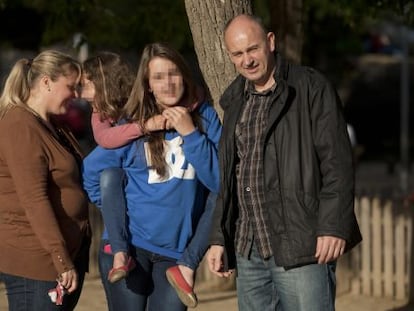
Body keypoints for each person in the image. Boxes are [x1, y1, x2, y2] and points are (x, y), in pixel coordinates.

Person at [206, 14, 363, 311]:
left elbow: (338, 162)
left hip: (301, 243)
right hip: (247, 248)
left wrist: (333, 226)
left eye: (252, 49)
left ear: (271, 42)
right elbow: (228, 178)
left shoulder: (310, 87)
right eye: (238, 54)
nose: (247, 60)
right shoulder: (234, 100)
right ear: (230, 56)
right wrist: (219, 238)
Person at [82, 42, 222, 311]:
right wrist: (114, 210)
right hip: (130, 247)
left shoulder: (204, 117)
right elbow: (92, 173)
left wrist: (190, 133)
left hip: (176, 255)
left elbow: (219, 183)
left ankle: (187, 267)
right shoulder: (135, 124)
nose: (168, 83)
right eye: (158, 77)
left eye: (173, 73)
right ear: (147, 85)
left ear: (184, 75)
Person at [0, 50, 91, 310]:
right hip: (37, 263)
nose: (76, 95)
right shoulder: (19, 124)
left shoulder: (50, 124)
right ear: (46, 82)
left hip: (60, 258)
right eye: (71, 87)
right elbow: (34, 198)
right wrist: (61, 259)